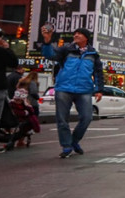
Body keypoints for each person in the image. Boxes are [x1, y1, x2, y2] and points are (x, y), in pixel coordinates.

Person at [41, 26, 103, 158]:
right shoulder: (66, 49)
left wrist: (99, 90)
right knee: (62, 119)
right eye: (75, 34)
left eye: (79, 34)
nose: (76, 35)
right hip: (64, 88)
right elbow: (49, 55)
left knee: (87, 118)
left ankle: (74, 141)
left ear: (86, 38)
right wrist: (47, 42)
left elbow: (98, 73)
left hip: (84, 89)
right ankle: (66, 146)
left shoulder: (93, 54)